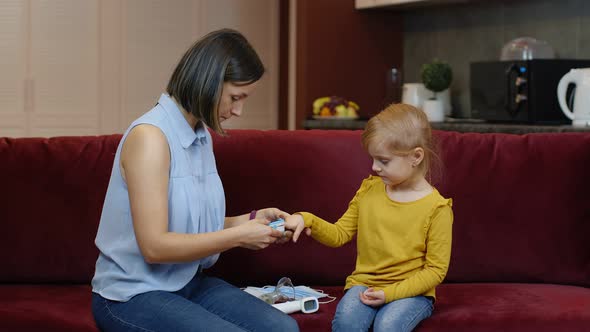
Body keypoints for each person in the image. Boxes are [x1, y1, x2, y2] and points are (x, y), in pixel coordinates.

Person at [91, 29, 299, 332]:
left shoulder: (199, 137)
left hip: (186, 282)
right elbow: (155, 246)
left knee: (283, 329)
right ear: (208, 82)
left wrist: (253, 221)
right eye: (235, 97)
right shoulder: (150, 138)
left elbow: (194, 224)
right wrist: (240, 237)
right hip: (131, 295)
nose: (239, 111)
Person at [286, 103, 453, 332]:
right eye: (373, 159)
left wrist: (389, 294)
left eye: (384, 161)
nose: (374, 167)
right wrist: (307, 219)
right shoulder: (369, 190)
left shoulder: (437, 208)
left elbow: (435, 271)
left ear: (416, 156)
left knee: (388, 326)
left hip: (413, 292)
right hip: (364, 284)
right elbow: (340, 234)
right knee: (347, 324)